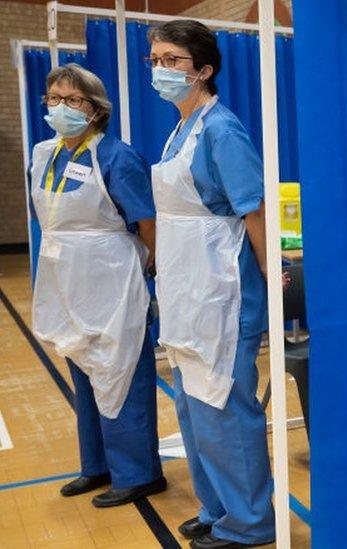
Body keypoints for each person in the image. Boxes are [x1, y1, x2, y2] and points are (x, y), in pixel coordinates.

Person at [147, 20, 273, 549]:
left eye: (172, 60)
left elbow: (254, 210)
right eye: (155, 59)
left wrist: (272, 279)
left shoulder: (222, 129)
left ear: (204, 69)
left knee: (223, 405)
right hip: (184, 287)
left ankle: (249, 522)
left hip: (222, 291)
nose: (161, 69)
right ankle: (218, 506)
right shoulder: (182, 127)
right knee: (193, 404)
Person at [29, 64, 164, 507]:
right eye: (54, 98)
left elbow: (147, 223)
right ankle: (98, 466)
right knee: (83, 370)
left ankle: (139, 473)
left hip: (111, 278)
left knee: (120, 373)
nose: (61, 107)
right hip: (63, 279)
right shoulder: (43, 154)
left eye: (73, 100)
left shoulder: (117, 157)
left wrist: (151, 272)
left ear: (96, 109)